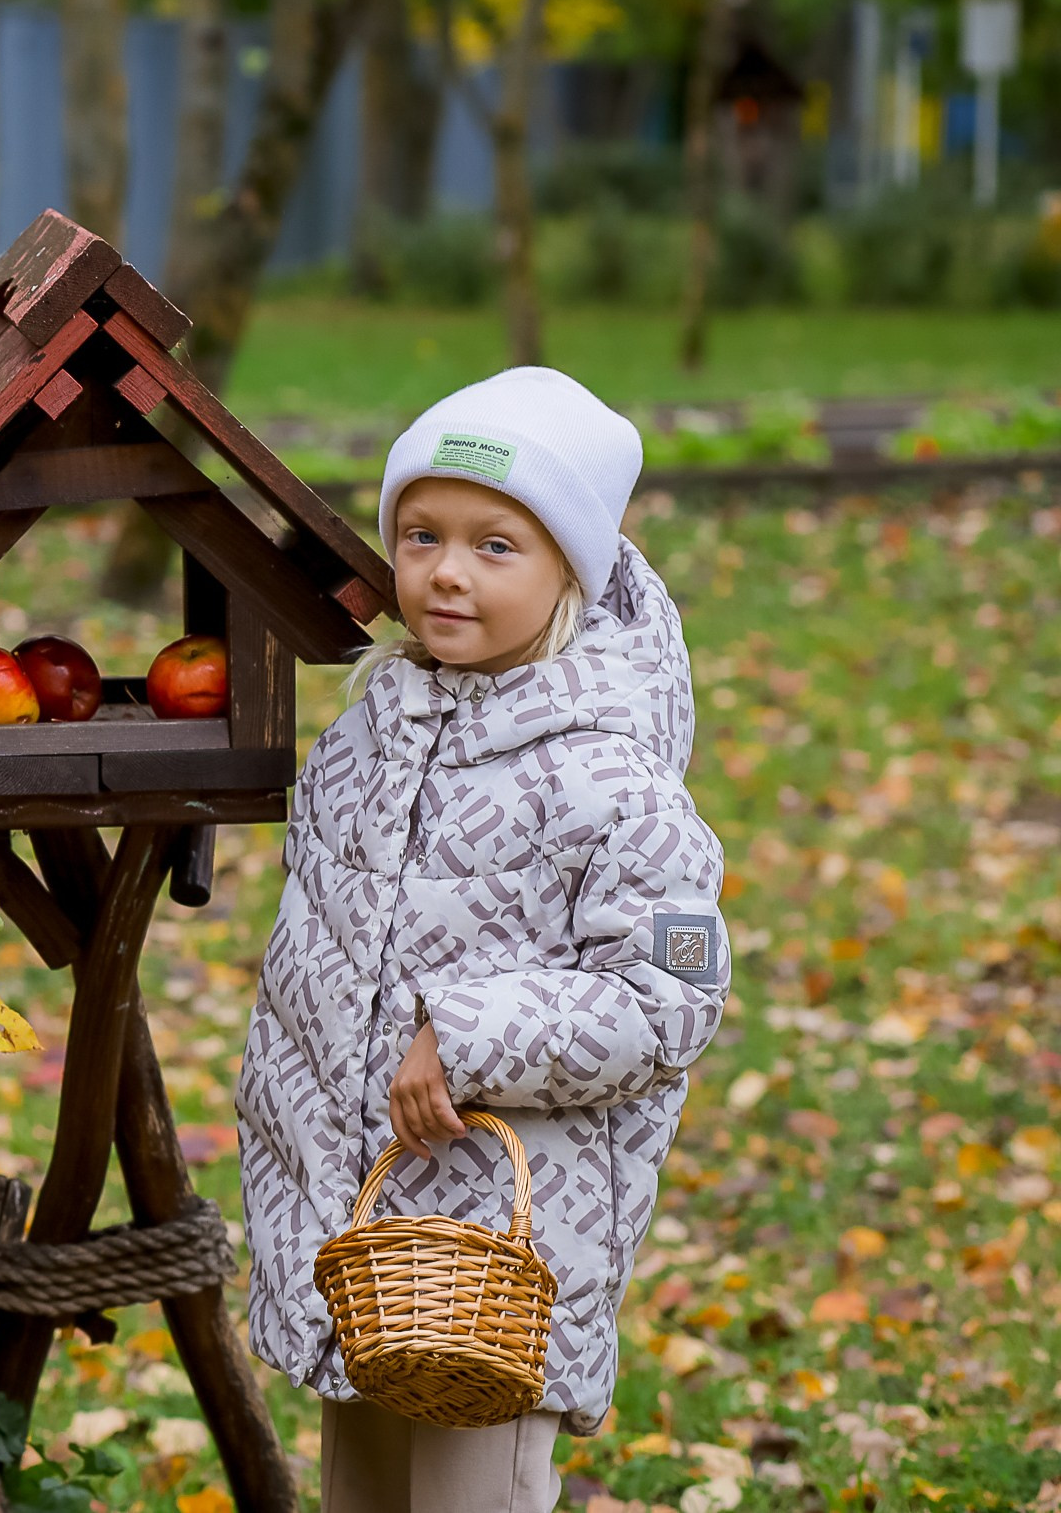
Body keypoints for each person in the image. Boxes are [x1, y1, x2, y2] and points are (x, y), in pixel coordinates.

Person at [235, 367, 731, 1513]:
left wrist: (467, 1037)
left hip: (505, 1245)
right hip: (358, 1238)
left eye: (495, 545)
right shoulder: (369, 737)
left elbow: (677, 993)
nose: (446, 569)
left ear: (571, 569)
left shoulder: (610, 769)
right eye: (421, 534)